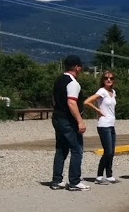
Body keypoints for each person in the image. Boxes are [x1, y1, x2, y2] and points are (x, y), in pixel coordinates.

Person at [50, 54, 88, 191]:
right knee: (77, 149)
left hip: (57, 117)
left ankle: (56, 180)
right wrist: (80, 121)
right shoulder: (73, 83)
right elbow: (72, 103)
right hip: (68, 120)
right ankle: (74, 181)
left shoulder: (58, 80)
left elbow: (54, 99)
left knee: (61, 149)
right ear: (77, 67)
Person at [84, 70, 118, 184]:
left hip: (111, 123)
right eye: (106, 78)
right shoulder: (102, 91)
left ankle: (109, 174)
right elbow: (87, 101)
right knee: (107, 151)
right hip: (103, 125)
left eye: (111, 78)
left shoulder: (113, 92)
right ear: (103, 80)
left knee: (112, 151)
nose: (109, 80)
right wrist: (98, 111)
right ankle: (99, 176)